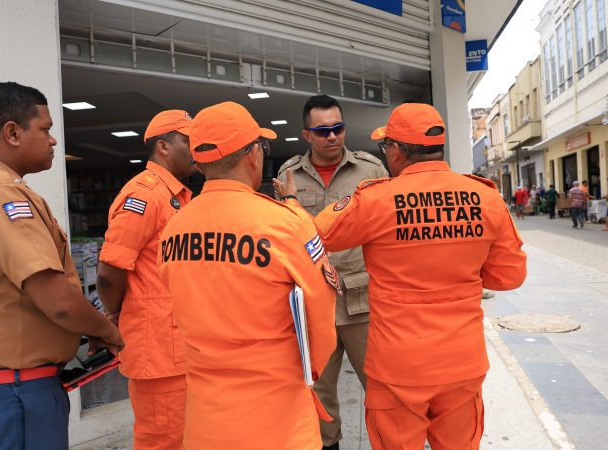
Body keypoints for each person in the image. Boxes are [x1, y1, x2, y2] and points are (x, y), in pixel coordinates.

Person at [276, 103, 527, 449]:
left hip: (398, 365)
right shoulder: (486, 197)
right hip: (462, 361)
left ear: (396, 150)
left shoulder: (376, 200)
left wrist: (292, 202)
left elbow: (313, 235)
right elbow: (509, 276)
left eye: (386, 146)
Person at [0, 82, 124, 449]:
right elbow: (58, 301)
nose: (53, 140)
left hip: (10, 388)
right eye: (45, 129)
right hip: (11, 392)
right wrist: (109, 332)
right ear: (12, 133)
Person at [157, 101, 337, 449]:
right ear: (253, 155)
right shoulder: (284, 224)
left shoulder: (174, 228)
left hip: (206, 424)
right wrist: (309, 372)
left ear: (200, 163)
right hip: (277, 421)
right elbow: (322, 322)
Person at [276, 94, 387, 449]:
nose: (333, 136)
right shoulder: (289, 174)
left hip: (362, 302)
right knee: (319, 396)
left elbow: (389, 231)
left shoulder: (371, 171)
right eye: (323, 131)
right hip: (313, 306)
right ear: (307, 135)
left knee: (383, 390)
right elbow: (284, 235)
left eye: (338, 128)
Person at [96, 110, 195, 449]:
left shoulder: (176, 196)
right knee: (163, 440)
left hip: (177, 345)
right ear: (163, 146)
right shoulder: (144, 195)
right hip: (159, 352)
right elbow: (109, 271)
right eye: (188, 140)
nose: (197, 147)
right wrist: (114, 315)